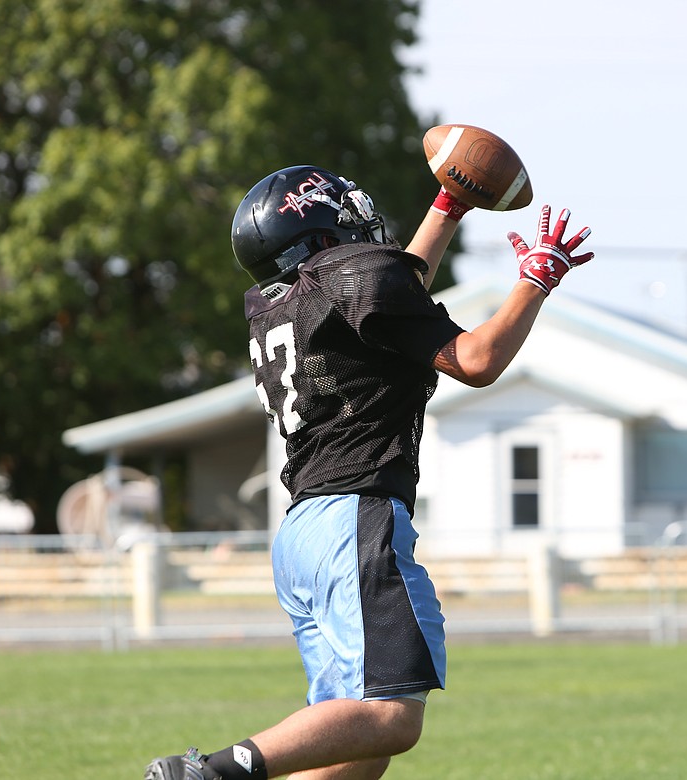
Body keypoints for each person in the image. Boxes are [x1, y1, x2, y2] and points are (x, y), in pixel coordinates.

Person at [144, 164, 593, 780]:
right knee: (390, 717)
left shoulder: (285, 300)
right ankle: (208, 773)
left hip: (305, 530)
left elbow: (389, 293)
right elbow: (478, 359)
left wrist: (449, 205)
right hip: (352, 518)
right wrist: (537, 278)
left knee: (355, 753)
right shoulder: (352, 279)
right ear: (320, 232)